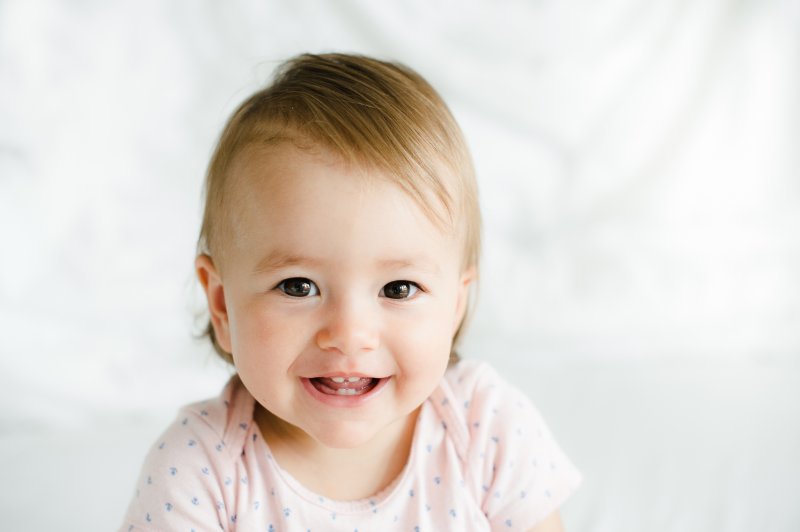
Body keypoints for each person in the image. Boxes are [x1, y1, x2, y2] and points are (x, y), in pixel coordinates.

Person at [120, 52, 582, 531]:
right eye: (299, 286)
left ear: (455, 305)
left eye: (398, 288)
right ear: (221, 305)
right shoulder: (200, 473)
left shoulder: (485, 429)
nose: (349, 334)